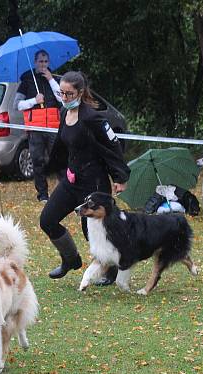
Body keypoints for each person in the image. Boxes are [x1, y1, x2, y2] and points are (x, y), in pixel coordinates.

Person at [41, 71, 129, 283]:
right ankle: (70, 259)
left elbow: (113, 146)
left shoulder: (92, 118)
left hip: (94, 182)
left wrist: (120, 176)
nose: (64, 97)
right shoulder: (64, 113)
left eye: (69, 94)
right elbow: (63, 146)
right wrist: (54, 168)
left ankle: (110, 270)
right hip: (72, 180)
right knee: (47, 220)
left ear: (80, 93)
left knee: (92, 231)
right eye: (61, 93)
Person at [14, 50, 64, 202]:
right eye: (40, 61)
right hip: (35, 128)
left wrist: (50, 79)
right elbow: (17, 105)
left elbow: (62, 99)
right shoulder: (27, 80)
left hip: (54, 127)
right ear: (35, 62)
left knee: (60, 160)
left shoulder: (54, 79)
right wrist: (34, 101)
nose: (43, 64)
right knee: (38, 161)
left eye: (45, 61)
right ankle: (42, 194)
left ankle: (65, 191)